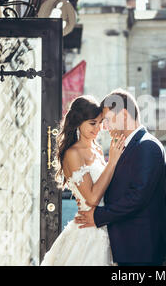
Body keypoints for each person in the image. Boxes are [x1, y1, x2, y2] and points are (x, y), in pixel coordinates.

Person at [74, 89, 166, 266]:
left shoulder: (147, 146)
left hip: (142, 249)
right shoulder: (126, 147)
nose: (104, 127)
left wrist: (97, 216)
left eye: (107, 120)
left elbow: (137, 198)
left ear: (125, 115)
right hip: (129, 247)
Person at [40, 95, 125, 266]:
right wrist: (113, 162)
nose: (98, 128)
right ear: (79, 122)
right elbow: (92, 198)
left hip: (107, 225)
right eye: (92, 123)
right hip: (88, 232)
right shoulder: (73, 154)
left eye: (100, 122)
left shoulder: (97, 149)